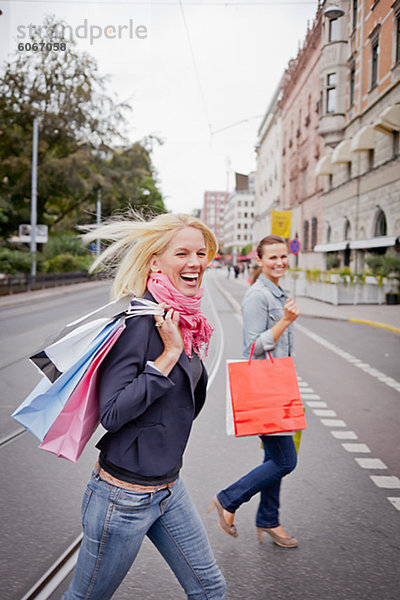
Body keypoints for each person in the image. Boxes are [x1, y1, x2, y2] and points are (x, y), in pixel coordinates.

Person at [63, 212, 226, 600]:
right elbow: (112, 414)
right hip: (124, 498)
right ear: (155, 261)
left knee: (210, 590)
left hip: (168, 487)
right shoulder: (140, 319)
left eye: (201, 253)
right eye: (182, 253)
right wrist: (169, 355)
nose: (195, 263)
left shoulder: (181, 317)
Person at [209, 234, 300, 548]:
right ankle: (228, 499)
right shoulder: (257, 296)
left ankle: (268, 520)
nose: (279, 262)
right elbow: (252, 346)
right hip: (266, 390)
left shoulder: (278, 291)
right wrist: (285, 322)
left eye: (283, 256)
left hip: (279, 386)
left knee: (274, 457)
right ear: (259, 260)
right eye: (271, 257)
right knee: (286, 461)